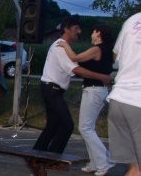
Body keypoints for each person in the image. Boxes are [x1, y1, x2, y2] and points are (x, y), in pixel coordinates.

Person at [32, 17, 112, 154]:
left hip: (52, 89)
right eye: (76, 28)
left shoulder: (64, 46)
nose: (79, 31)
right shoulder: (60, 46)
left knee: (53, 125)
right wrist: (102, 77)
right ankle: (52, 156)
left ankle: (37, 153)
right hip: (51, 89)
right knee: (67, 125)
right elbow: (75, 69)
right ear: (66, 29)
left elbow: (76, 62)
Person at [96, 12, 141, 176]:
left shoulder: (133, 20)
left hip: (119, 100)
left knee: (135, 169)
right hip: (140, 103)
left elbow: (116, 57)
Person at [57, 24, 115, 176]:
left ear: (99, 34)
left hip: (94, 90)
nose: (91, 34)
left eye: (93, 31)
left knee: (85, 128)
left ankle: (103, 162)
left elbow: (75, 58)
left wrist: (64, 45)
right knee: (88, 127)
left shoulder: (97, 49)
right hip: (97, 89)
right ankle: (96, 163)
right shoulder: (106, 50)